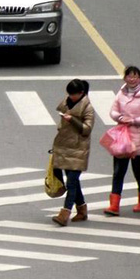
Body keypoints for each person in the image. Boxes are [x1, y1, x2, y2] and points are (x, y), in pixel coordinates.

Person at [104, 66, 140, 216]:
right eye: (129, 76)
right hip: (122, 138)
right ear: (125, 78)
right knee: (118, 172)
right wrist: (120, 118)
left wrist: (134, 120)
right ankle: (114, 205)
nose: (132, 79)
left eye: (135, 76)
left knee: (139, 171)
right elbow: (113, 111)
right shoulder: (121, 93)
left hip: (139, 138)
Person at [51, 79, 94, 226]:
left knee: (71, 182)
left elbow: (87, 129)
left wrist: (72, 120)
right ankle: (82, 210)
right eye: (69, 94)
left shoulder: (87, 108)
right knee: (73, 182)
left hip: (78, 149)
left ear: (81, 93)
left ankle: (65, 213)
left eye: (74, 94)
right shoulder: (66, 102)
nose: (71, 97)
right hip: (64, 146)